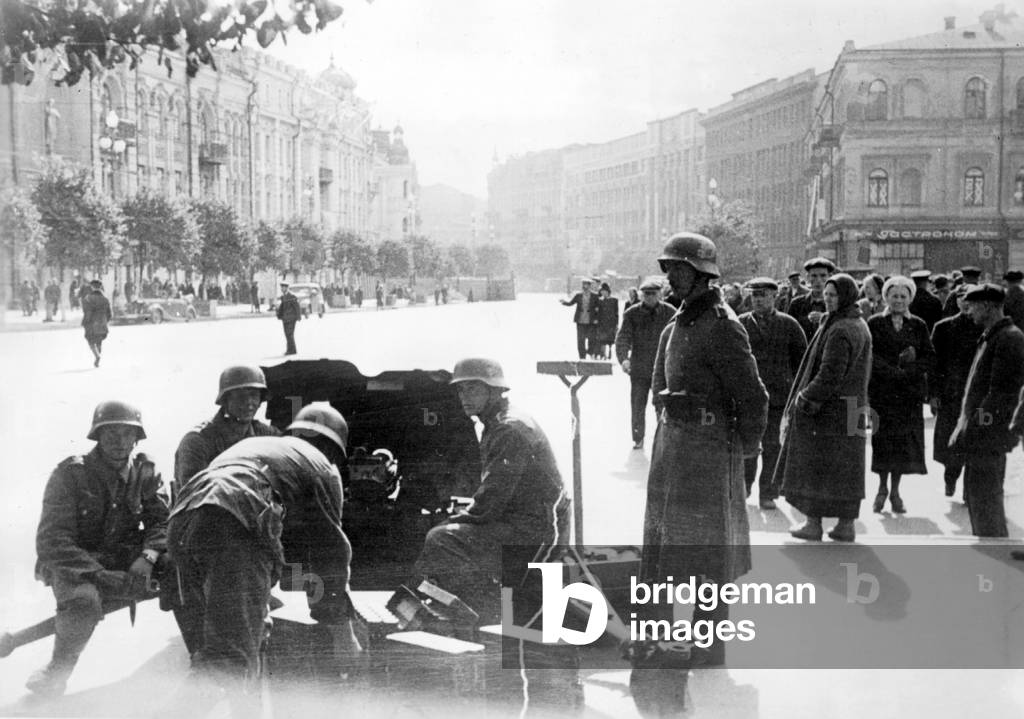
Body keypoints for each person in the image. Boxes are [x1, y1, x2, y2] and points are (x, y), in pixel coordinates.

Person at [641, 232, 768, 666]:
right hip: (673, 451)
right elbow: (660, 386)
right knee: (668, 551)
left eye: (679, 269)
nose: (671, 277)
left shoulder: (722, 325)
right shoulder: (678, 324)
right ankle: (668, 640)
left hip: (709, 455)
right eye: (669, 269)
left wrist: (742, 456)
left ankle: (710, 648)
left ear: (701, 274)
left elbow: (754, 398)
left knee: (708, 557)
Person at [168, 403, 358, 680]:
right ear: (333, 449)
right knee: (228, 665)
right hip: (233, 522)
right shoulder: (322, 467)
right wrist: (341, 630)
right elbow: (329, 554)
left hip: (183, 523)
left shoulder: (258, 446)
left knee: (217, 657)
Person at [28, 401, 168, 696]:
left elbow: (163, 522)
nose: (119, 442)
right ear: (97, 437)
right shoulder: (70, 475)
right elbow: (53, 540)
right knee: (83, 601)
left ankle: (206, 655)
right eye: (111, 434)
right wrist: (100, 575)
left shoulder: (144, 471)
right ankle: (57, 671)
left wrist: (149, 556)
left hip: (125, 556)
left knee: (185, 567)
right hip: (76, 562)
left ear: (137, 438)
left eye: (127, 434)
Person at [415, 358, 570, 613]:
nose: (465, 396)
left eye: (473, 389)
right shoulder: (498, 423)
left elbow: (490, 502)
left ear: (494, 390)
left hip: (537, 528)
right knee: (447, 531)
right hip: (526, 520)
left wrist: (456, 519)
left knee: (441, 538)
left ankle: (481, 613)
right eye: (461, 390)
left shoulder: (508, 429)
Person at [776, 273, 872, 542]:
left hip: (829, 412)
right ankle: (845, 525)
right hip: (853, 406)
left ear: (846, 297)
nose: (828, 299)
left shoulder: (840, 329)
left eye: (833, 295)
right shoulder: (857, 323)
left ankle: (813, 523)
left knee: (816, 466)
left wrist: (805, 398)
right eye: (826, 294)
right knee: (849, 470)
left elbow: (830, 373)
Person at [953, 284, 1024, 537]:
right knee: (979, 498)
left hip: (989, 434)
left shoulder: (1008, 338)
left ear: (987, 306)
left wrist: (976, 425)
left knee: (986, 501)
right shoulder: (993, 335)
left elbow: (999, 395)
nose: (968, 311)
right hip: (983, 433)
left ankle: (994, 557)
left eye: (972, 306)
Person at [867, 275, 935, 514]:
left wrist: (911, 367)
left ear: (910, 299)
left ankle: (895, 491)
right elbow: (869, 355)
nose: (898, 300)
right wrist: (890, 371)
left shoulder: (918, 325)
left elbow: (929, 356)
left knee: (902, 445)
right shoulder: (875, 322)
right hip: (883, 394)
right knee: (882, 442)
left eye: (903, 296)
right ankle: (881, 488)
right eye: (893, 296)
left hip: (908, 396)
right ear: (885, 297)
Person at [737, 277, 807, 509]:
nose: (758, 300)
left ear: (774, 296)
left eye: (764, 295)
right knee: (747, 445)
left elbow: (802, 363)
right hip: (748, 398)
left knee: (773, 447)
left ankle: (768, 493)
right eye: (755, 295)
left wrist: (796, 393)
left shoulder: (789, 325)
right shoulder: (740, 324)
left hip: (778, 398)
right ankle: (745, 486)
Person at [174, 365, 281, 487]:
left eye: (254, 395)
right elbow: (193, 493)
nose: (249, 402)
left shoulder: (267, 435)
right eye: (241, 396)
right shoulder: (197, 441)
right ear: (226, 400)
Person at [930, 284, 982, 499]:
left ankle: (969, 489)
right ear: (956, 301)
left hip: (977, 394)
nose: (966, 302)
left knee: (974, 440)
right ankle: (950, 477)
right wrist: (933, 394)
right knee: (950, 441)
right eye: (962, 297)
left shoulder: (984, 327)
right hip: (950, 393)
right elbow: (934, 364)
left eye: (970, 298)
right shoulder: (943, 328)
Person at [615, 279, 675, 450]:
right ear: (641, 295)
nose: (649, 297)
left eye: (653, 294)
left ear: (660, 294)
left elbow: (677, 338)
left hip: (663, 368)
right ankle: (638, 438)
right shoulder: (632, 313)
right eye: (646, 294)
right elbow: (623, 337)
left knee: (662, 405)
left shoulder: (670, 312)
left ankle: (662, 438)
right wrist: (624, 359)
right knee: (637, 404)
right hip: (639, 367)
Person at [787, 257, 835, 339]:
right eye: (814, 276)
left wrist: (825, 319)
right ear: (808, 277)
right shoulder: (796, 304)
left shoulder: (837, 304)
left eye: (823, 275)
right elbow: (789, 332)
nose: (818, 280)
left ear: (830, 277)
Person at [559, 277, 600, 359]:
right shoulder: (578, 295)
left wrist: (597, 318)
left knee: (591, 338)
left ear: (589, 286)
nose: (585, 287)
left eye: (587, 285)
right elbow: (571, 303)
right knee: (581, 339)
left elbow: (598, 308)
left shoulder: (595, 296)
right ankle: (582, 356)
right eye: (584, 285)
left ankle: (590, 352)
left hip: (591, 321)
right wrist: (564, 302)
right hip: (580, 320)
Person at [81, 279, 112, 367]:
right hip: (102, 323)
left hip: (91, 323)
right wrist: (105, 321)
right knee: (99, 340)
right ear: (100, 287)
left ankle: (97, 355)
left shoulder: (88, 298)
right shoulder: (105, 299)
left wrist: (86, 322)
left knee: (90, 340)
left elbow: (86, 311)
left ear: (92, 287)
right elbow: (109, 314)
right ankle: (98, 355)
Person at [594, 281, 619, 360]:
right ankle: (603, 354)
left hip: (611, 323)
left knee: (610, 340)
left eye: (604, 291)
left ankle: (608, 354)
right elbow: (598, 312)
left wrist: (616, 323)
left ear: (608, 291)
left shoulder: (614, 300)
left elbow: (616, 312)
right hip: (602, 323)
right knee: (602, 340)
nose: (603, 293)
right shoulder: (600, 301)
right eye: (601, 291)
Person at [276, 281, 301, 355]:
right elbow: (282, 307)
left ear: (287, 288)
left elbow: (297, 307)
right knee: (287, 335)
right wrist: (279, 315)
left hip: (291, 318)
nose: (282, 289)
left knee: (290, 334)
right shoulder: (283, 297)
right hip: (285, 319)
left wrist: (298, 316)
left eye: (283, 287)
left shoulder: (292, 296)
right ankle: (291, 350)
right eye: (281, 288)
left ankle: (291, 350)